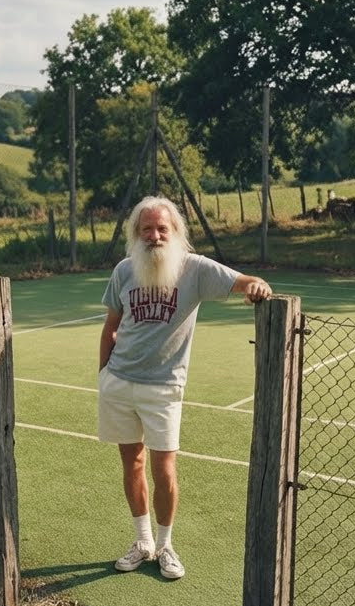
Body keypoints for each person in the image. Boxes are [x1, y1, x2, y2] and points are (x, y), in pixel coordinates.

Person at [98, 195, 272, 580]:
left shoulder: (193, 269)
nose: (155, 235)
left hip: (163, 389)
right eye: (147, 229)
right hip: (120, 382)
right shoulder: (124, 271)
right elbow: (111, 326)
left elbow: (244, 281)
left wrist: (256, 286)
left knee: (165, 469)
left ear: (175, 232)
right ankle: (142, 541)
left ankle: (165, 546)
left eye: (162, 228)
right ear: (136, 234)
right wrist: (102, 376)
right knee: (132, 462)